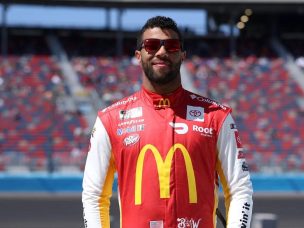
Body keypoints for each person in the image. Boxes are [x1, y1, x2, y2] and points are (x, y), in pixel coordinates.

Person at [82, 16, 253, 228]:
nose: (161, 52)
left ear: (182, 55)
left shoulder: (216, 117)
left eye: (171, 46)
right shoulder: (110, 119)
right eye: (151, 45)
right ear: (138, 55)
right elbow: (94, 196)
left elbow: (239, 190)